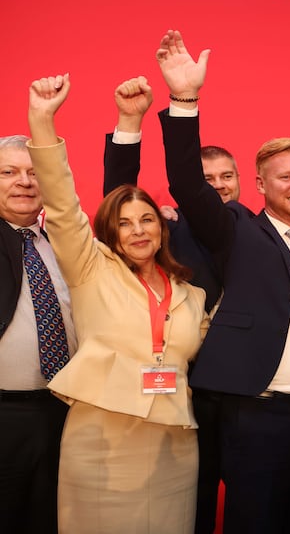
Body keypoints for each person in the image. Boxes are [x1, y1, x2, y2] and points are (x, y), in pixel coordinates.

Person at [156, 29, 290, 533]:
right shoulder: (237, 232)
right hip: (260, 418)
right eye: (283, 177)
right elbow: (186, 182)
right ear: (259, 184)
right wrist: (184, 99)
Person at [26, 73, 209, 533]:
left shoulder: (192, 294)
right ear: (112, 232)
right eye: (125, 223)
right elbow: (63, 205)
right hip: (101, 441)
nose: (139, 230)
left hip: (173, 443)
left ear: (163, 228)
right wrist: (43, 121)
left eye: (148, 219)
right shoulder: (91, 269)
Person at [102, 75, 245, 534]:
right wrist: (128, 125)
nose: (220, 186)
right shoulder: (165, 229)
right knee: (190, 502)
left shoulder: (264, 233)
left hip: (251, 392)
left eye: (228, 176)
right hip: (185, 389)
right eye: (208, 180)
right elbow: (116, 200)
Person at [0, 134, 78, 534]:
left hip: (62, 412)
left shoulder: (62, 245)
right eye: (9, 172)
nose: (25, 182)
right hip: (5, 415)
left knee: (50, 520)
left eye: (34, 173)